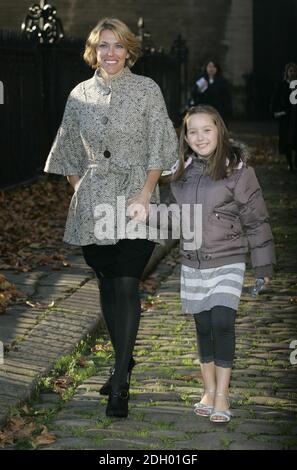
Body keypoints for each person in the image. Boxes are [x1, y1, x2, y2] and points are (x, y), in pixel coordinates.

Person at [44, 17, 178, 418]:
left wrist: (145, 191)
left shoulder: (147, 90)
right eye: (103, 45)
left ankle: (120, 380)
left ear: (129, 50)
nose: (111, 53)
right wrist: (81, 192)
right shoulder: (79, 94)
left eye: (118, 45)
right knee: (105, 282)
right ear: (93, 51)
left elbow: (160, 145)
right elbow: (66, 150)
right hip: (94, 203)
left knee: (126, 283)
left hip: (137, 196)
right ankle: (124, 358)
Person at [169, 105, 276, 422]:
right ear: (185, 137)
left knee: (221, 323)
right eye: (192, 131)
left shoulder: (239, 171)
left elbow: (257, 221)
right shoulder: (181, 173)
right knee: (203, 326)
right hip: (193, 262)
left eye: (207, 129)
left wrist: (264, 266)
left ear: (220, 131)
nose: (200, 137)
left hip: (228, 259)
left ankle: (223, 395)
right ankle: (208, 390)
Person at [271, 62, 297, 171]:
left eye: (295, 71)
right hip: (286, 117)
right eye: (290, 71)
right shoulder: (281, 85)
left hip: (295, 116)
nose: (293, 73)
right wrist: (277, 112)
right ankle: (290, 163)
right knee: (287, 140)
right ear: (287, 72)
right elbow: (275, 100)